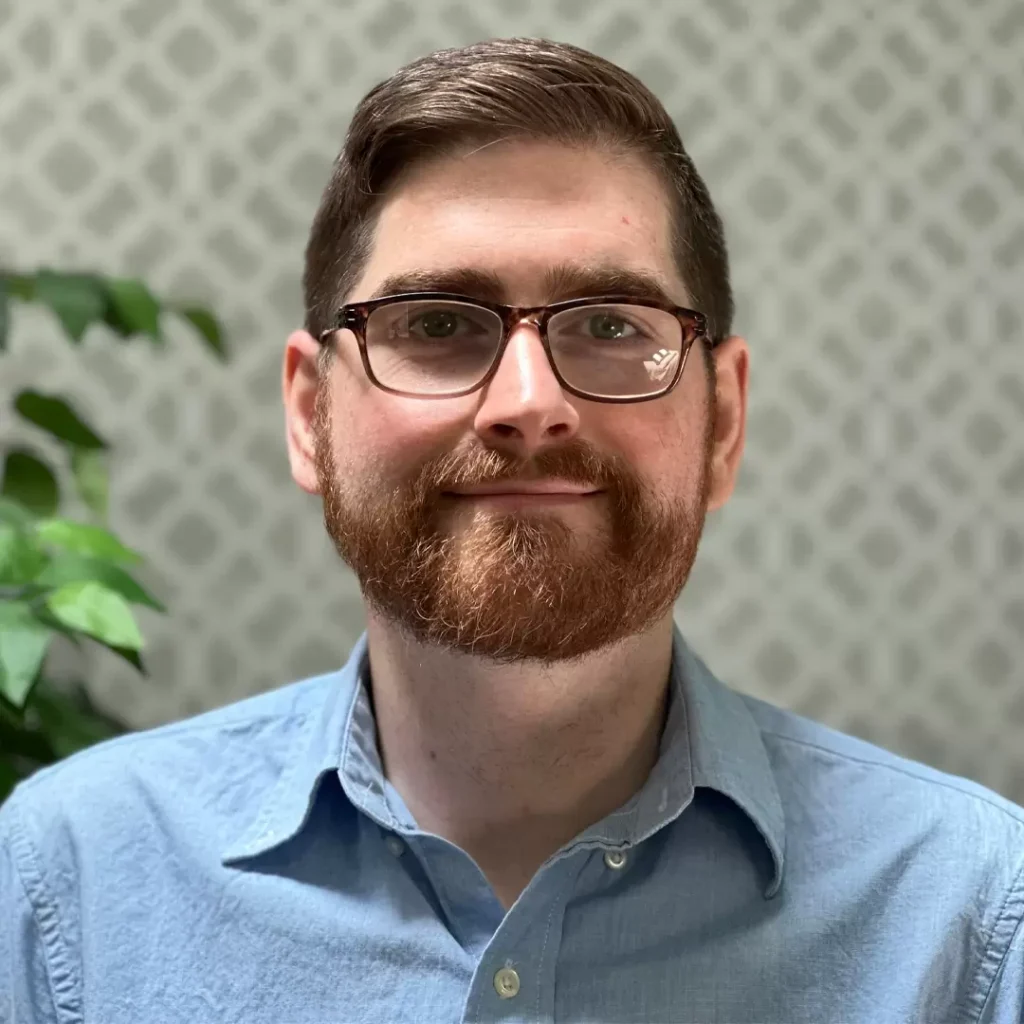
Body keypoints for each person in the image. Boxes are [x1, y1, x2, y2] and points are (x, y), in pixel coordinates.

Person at [2, 37, 1022, 1024]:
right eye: (438, 324)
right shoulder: (66, 885)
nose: (529, 403)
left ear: (723, 424)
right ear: (310, 415)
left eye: (612, 325)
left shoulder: (971, 915)